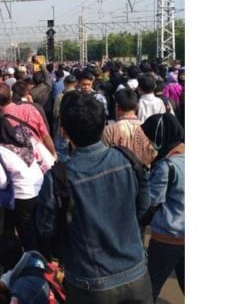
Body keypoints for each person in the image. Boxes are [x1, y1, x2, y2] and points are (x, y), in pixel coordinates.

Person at [36, 91, 152, 304]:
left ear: (64, 131)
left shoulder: (57, 178)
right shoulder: (126, 159)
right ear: (103, 125)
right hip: (136, 272)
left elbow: (46, 229)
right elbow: (144, 206)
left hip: (89, 282)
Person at [0, 110, 44, 252]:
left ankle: (34, 264)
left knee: (26, 233)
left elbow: (2, 182)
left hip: (23, 195)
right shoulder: (22, 131)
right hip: (40, 184)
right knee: (40, 225)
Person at [140, 113, 185, 302]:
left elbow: (151, 201)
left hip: (167, 236)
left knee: (149, 287)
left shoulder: (167, 166)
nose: (150, 143)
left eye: (151, 138)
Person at [0, 82, 57, 162]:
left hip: (20, 163)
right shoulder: (30, 108)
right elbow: (45, 135)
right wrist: (53, 154)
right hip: (39, 156)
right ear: (11, 94)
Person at [102, 88, 157, 167]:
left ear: (117, 107)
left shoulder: (108, 130)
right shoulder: (147, 128)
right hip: (145, 175)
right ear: (136, 106)